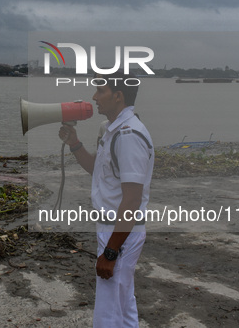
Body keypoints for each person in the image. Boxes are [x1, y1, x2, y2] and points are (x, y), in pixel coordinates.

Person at [58, 72, 154, 327]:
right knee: (122, 305)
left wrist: (111, 251)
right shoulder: (115, 131)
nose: (94, 97)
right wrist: (75, 144)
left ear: (118, 96)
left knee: (108, 311)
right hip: (116, 229)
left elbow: (132, 199)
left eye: (100, 91)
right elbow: (98, 171)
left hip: (119, 231)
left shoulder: (128, 135)